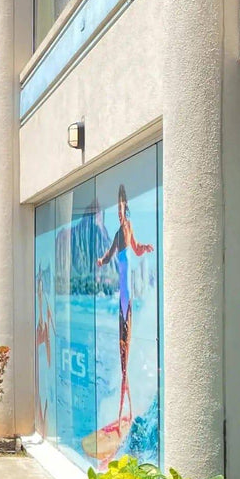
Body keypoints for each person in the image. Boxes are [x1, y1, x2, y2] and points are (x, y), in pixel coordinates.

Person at [95, 184, 154, 431]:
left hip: (127, 301)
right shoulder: (119, 233)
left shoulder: (127, 229)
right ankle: (123, 410)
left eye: (121, 208)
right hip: (123, 300)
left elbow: (137, 249)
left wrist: (146, 247)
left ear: (126, 208)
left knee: (125, 355)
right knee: (123, 356)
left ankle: (125, 410)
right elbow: (109, 255)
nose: (119, 213)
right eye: (117, 209)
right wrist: (101, 260)